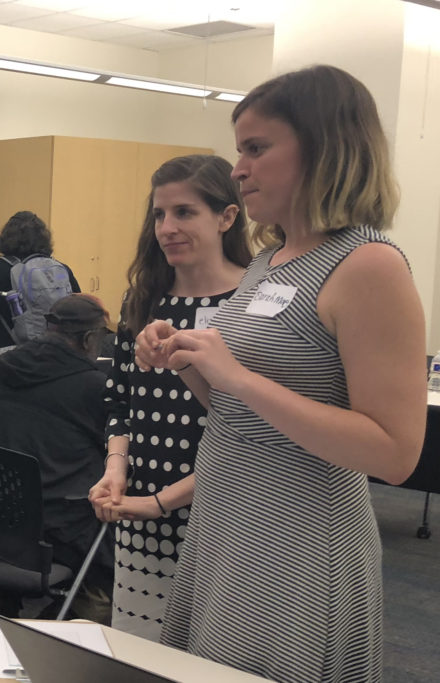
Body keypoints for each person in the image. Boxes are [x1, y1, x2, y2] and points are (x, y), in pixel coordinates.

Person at [136, 65, 425, 682]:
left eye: (257, 148)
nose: (238, 169)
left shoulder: (369, 264)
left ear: (326, 148)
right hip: (228, 517)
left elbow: (395, 453)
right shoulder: (271, 259)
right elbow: (241, 412)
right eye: (241, 149)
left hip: (298, 536)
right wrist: (189, 361)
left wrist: (238, 376)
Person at [86, 154, 251, 642]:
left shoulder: (250, 305)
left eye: (184, 212)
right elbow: (119, 406)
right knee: (141, 651)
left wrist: (160, 503)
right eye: (159, 214)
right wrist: (116, 473)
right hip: (139, 515)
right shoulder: (143, 300)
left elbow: (250, 434)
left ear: (226, 217)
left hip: (221, 512)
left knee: (212, 655)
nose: (167, 228)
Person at [0, 294, 114, 623]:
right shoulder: (94, 387)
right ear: (90, 338)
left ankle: (2, 596)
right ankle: (68, 621)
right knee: (113, 532)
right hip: (46, 534)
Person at [0, 210, 82, 356]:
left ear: (5, 237)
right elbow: (79, 308)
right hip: (53, 353)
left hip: (6, 353)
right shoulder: (61, 270)